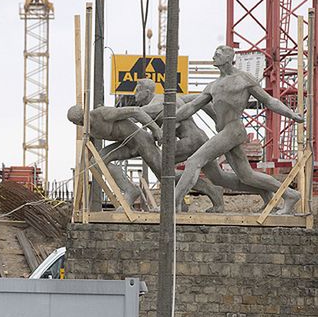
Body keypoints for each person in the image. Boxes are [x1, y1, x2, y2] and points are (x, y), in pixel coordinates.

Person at [174, 45, 304, 214]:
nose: (213, 57)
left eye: (217, 54)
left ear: (228, 58)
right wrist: (171, 118)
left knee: (194, 161)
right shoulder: (213, 86)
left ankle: (173, 204)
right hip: (224, 132)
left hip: (233, 129)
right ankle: (288, 194)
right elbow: (192, 106)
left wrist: (291, 114)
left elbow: (270, 101)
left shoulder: (244, 79)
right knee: (246, 176)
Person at [132, 78, 275, 211]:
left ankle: (177, 203)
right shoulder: (168, 98)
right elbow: (196, 100)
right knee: (220, 178)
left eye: (137, 90)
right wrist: (217, 120)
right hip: (200, 138)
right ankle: (261, 190)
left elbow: (140, 112)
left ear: (147, 92)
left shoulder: (156, 103)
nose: (134, 94)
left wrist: (163, 128)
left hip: (189, 141)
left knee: (162, 166)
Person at [67, 104, 223, 210]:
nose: (81, 124)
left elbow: (136, 111)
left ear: (85, 114)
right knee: (97, 162)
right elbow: (91, 149)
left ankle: (212, 190)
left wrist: (155, 130)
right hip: (125, 145)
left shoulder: (102, 114)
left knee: (167, 176)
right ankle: (130, 191)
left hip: (141, 141)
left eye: (82, 120)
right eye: (78, 123)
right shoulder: (88, 129)